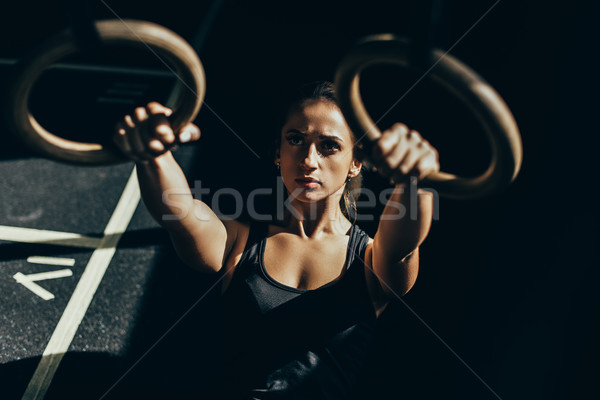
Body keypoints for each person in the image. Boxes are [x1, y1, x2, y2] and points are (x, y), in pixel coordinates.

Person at [113, 81, 439, 398]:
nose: (309, 159)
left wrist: (412, 181)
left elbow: (402, 245)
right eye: (295, 139)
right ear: (278, 154)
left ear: (355, 163)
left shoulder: (370, 260)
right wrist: (153, 153)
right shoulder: (239, 242)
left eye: (329, 145)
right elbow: (179, 210)